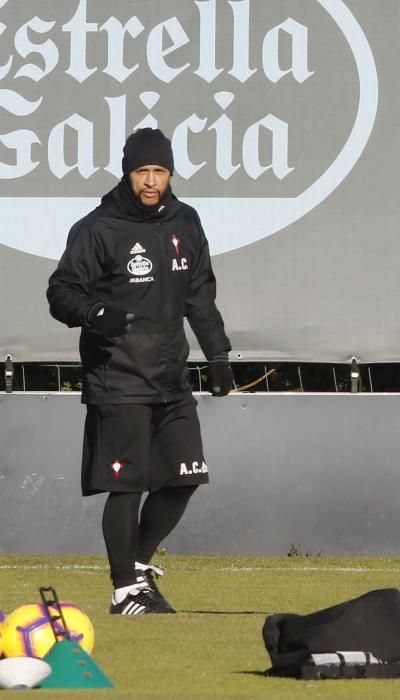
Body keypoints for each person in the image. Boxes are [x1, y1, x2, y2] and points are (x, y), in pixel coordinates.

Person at [47, 128, 234, 615]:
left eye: (160, 171)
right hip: (118, 376)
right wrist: (94, 313)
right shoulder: (97, 227)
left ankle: (140, 568)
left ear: (170, 172)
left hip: (171, 378)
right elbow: (61, 291)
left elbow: (201, 296)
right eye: (142, 171)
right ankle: (124, 589)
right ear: (128, 172)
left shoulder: (185, 221)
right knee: (128, 485)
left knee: (185, 476)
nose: (151, 181)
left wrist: (217, 356)